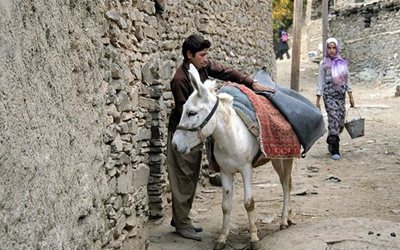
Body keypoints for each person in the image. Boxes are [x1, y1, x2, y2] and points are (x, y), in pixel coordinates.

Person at [167, 34, 274, 241]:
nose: (206, 58)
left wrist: (252, 83)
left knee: (191, 174)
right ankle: (181, 224)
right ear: (190, 55)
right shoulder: (180, 80)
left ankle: (181, 219)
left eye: (207, 54)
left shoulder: (202, 68)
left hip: (199, 131)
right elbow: (186, 115)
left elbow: (227, 72)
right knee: (183, 177)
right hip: (185, 132)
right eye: (202, 55)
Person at [316, 37, 355, 160]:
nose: (332, 50)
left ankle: (331, 139)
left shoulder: (341, 63)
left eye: (334, 48)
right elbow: (320, 81)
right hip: (328, 95)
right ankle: (335, 149)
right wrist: (318, 99)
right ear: (326, 49)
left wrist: (351, 97)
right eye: (329, 48)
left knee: (340, 121)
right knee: (333, 118)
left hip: (340, 95)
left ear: (336, 48)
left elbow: (347, 80)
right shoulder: (324, 64)